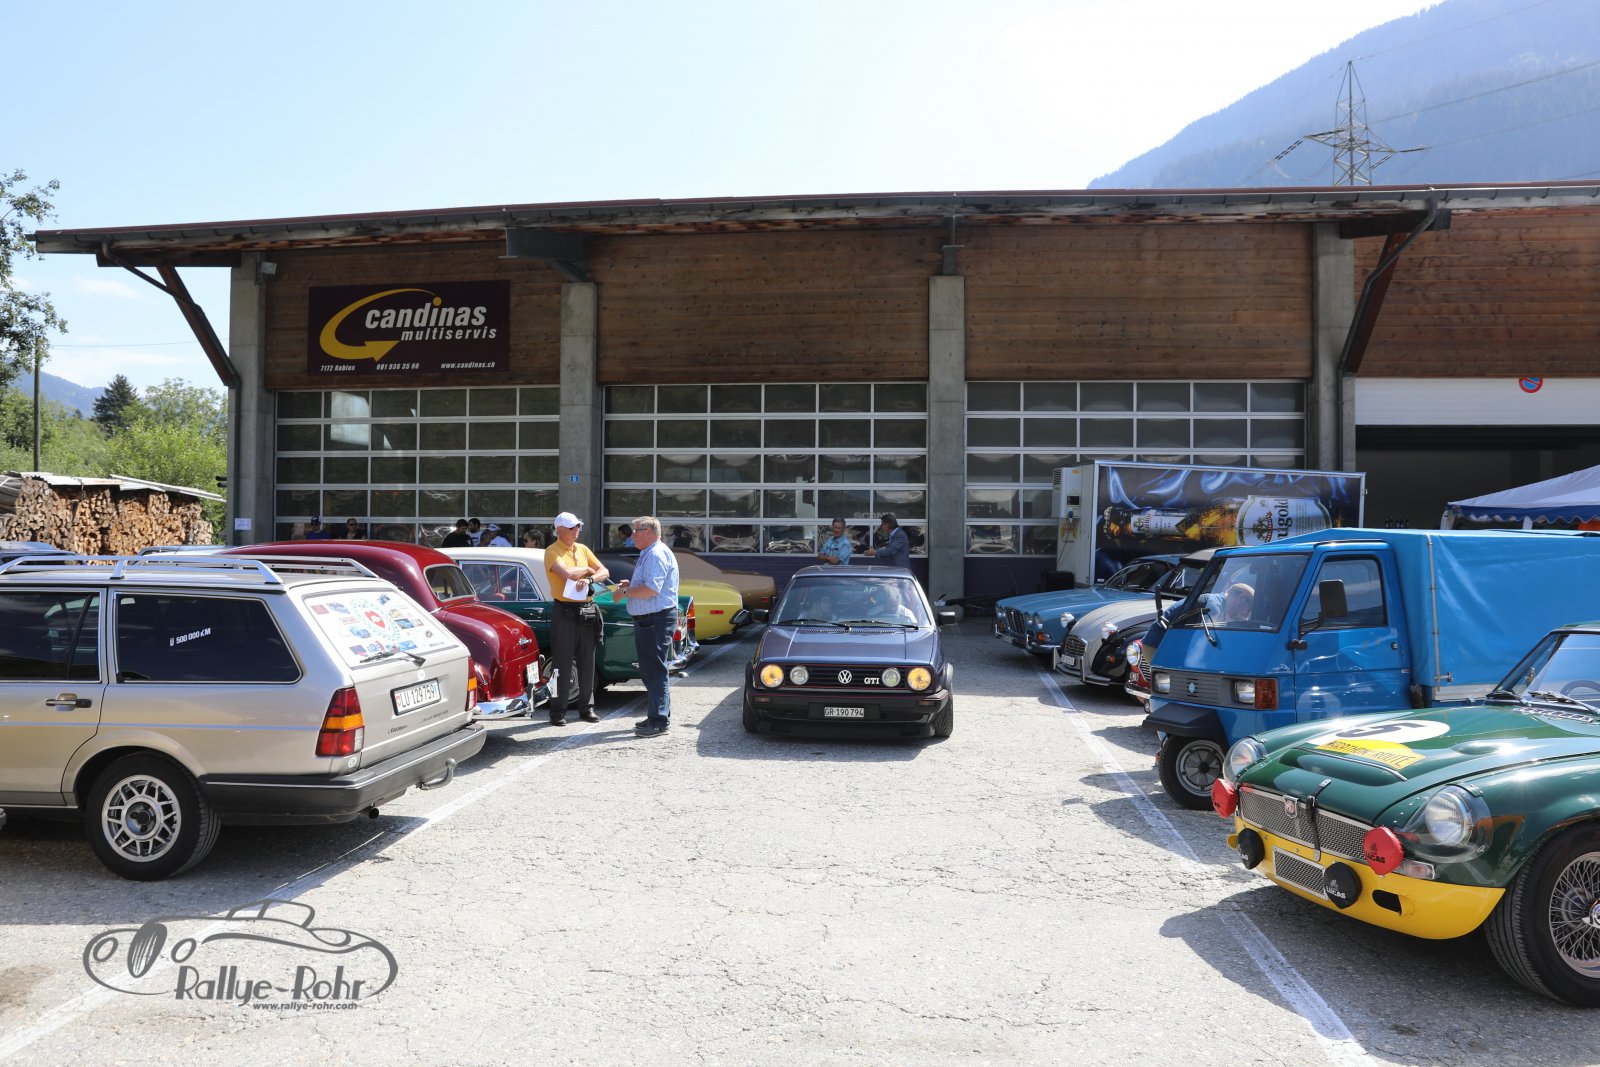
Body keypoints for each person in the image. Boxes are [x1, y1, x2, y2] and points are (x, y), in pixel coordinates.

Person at [614, 515, 680, 737]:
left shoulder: (655, 554)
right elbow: (648, 585)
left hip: (655, 619)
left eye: (637, 531)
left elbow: (651, 589)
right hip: (651, 619)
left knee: (654, 669)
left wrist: (626, 591)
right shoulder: (649, 553)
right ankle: (657, 715)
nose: (632, 535)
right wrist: (630, 585)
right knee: (650, 669)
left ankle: (659, 721)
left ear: (649, 532)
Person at [544, 512, 609, 726]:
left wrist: (590, 578)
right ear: (559, 530)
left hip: (586, 610)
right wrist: (588, 569)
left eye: (578, 527)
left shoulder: (582, 549)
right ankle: (557, 711)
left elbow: (604, 572)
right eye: (573, 528)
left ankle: (587, 708)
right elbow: (567, 574)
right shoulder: (552, 551)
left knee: (587, 663)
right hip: (564, 611)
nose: (577, 530)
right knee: (560, 665)